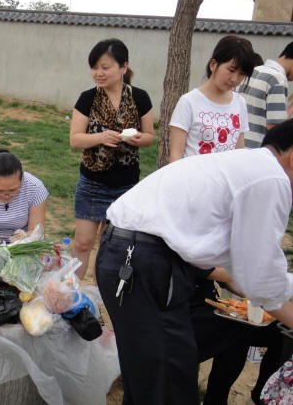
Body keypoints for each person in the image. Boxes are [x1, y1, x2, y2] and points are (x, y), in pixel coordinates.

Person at [95, 119, 293, 405]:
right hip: (145, 261)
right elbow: (263, 281)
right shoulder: (270, 178)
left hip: (128, 254)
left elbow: (250, 270)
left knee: (151, 382)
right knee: (168, 386)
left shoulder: (247, 167)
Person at [69, 38, 154, 279]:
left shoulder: (140, 98)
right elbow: (75, 139)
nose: (98, 73)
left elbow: (150, 136)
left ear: (123, 67)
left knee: (110, 248)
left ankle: (100, 298)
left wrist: (139, 138)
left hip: (126, 185)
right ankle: (69, 295)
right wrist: (100, 137)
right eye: (95, 67)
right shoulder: (88, 98)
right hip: (92, 183)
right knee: (83, 244)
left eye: (105, 67)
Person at [190, 267, 286, 405]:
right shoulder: (187, 248)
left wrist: (257, 295)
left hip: (212, 306)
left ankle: (261, 396)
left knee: (280, 332)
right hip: (183, 313)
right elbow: (210, 270)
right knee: (237, 331)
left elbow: (226, 279)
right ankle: (215, 400)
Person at [169, 35, 255, 160]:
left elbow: (239, 152)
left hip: (227, 179)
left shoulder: (239, 102)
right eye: (231, 70)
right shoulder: (188, 102)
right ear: (213, 65)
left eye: (241, 74)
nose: (234, 79)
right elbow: (176, 155)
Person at [240, 41, 293, 147]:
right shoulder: (277, 79)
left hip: (238, 147)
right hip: (257, 152)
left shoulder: (254, 71)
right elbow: (275, 128)